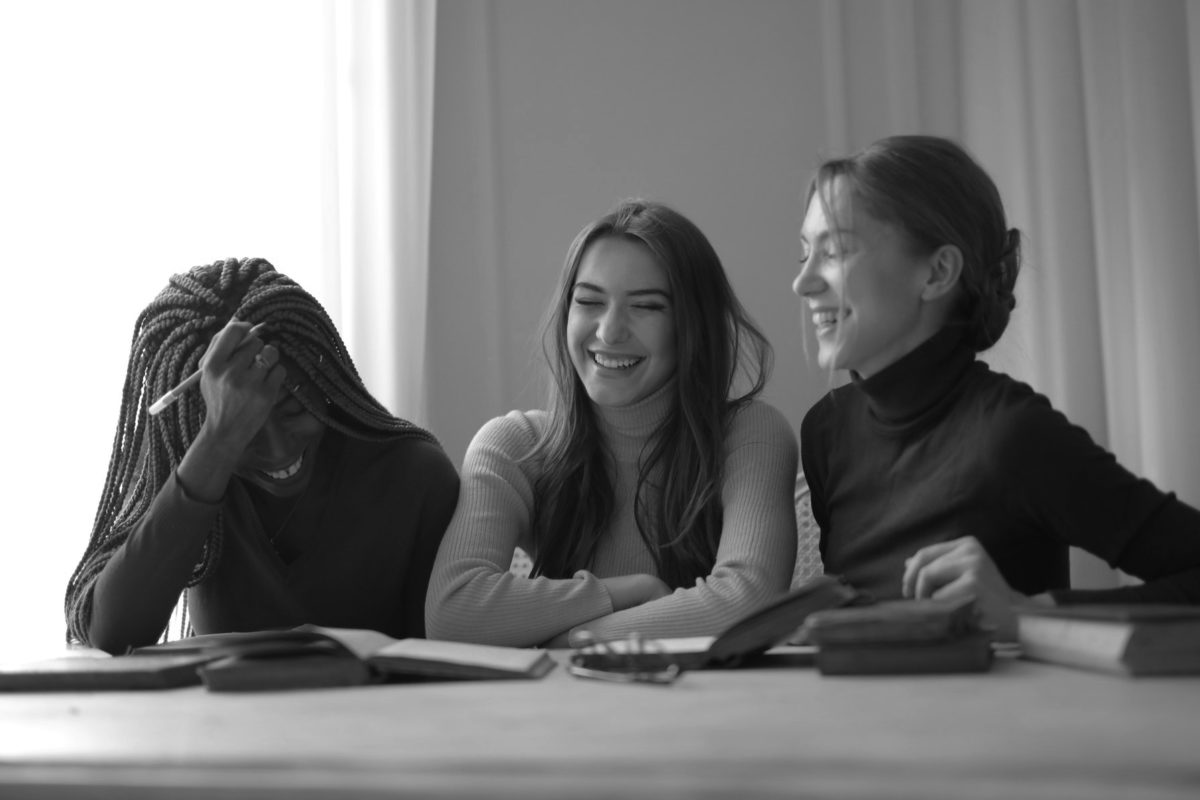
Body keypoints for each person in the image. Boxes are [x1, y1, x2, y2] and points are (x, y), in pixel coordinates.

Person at [793, 134, 1200, 638]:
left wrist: (1030, 615)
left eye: (834, 252)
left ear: (937, 272)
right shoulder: (827, 429)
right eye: (805, 254)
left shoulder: (1014, 435)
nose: (804, 282)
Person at [426, 199, 798, 647]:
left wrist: (566, 641)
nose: (608, 331)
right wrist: (618, 593)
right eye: (589, 301)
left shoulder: (750, 434)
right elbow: (454, 614)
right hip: (561, 713)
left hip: (706, 709)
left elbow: (745, 604)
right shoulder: (516, 446)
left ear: (692, 326)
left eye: (646, 306)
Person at [65, 257, 460, 654]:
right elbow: (111, 634)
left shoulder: (414, 476)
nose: (277, 450)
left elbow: (443, 664)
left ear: (326, 382)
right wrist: (217, 442)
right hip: (223, 716)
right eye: (244, 426)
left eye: (292, 410)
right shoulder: (194, 475)